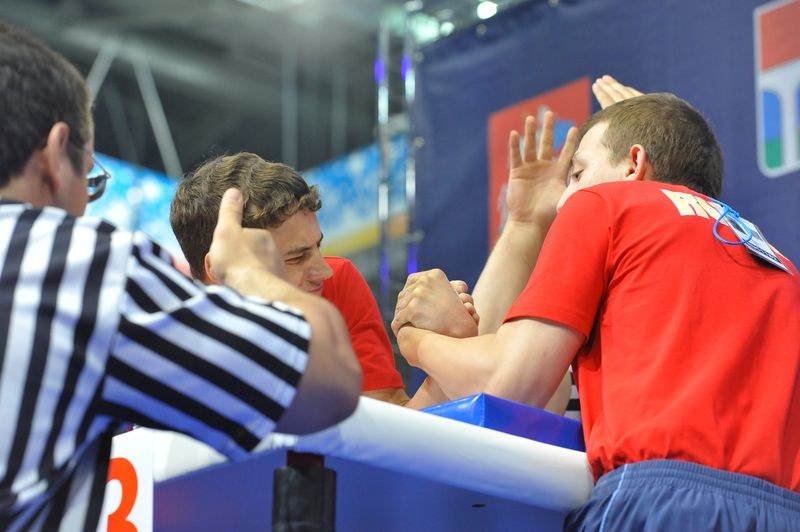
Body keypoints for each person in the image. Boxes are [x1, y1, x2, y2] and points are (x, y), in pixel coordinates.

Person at [0, 22, 361, 531]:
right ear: (56, 155)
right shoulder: (83, 266)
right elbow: (329, 384)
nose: (85, 203)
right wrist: (253, 275)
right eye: (91, 178)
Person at [393, 82, 800, 529]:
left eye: (578, 172)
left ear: (634, 164)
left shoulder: (605, 203)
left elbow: (510, 382)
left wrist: (416, 340)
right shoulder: (774, 259)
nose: (566, 198)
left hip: (659, 502)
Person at [169, 152, 478, 409]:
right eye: (296, 257)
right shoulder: (162, 335)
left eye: (317, 246)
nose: (324, 271)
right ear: (219, 269)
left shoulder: (338, 282)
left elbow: (390, 427)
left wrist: (452, 350)